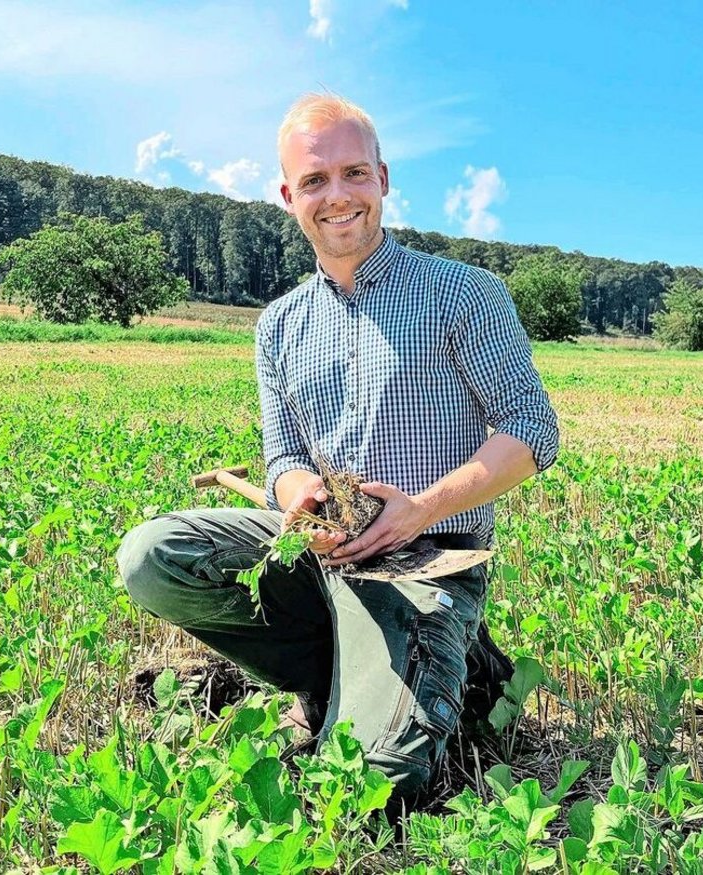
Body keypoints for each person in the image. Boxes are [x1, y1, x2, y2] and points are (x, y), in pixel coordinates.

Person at [117, 93, 559, 803]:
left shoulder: (463, 293)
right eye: (315, 181)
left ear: (382, 178)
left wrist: (419, 509)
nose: (338, 196)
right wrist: (300, 498)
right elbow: (283, 458)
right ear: (289, 197)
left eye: (354, 173)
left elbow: (532, 429)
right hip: (318, 561)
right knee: (151, 558)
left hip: (425, 562)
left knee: (373, 785)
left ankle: (459, 663)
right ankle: (352, 671)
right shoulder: (278, 325)